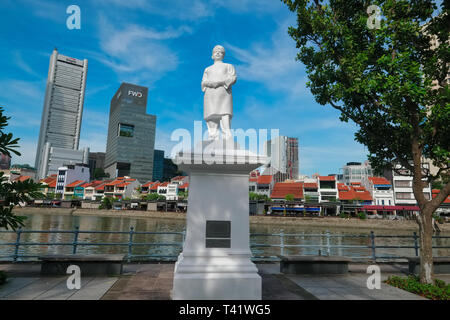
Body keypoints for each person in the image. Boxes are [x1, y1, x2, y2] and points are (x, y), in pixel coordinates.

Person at [201, 45, 237, 140]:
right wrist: (211, 84)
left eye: (220, 52)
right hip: (210, 94)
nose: (217, 53)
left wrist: (222, 83)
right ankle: (212, 136)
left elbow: (232, 77)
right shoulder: (207, 69)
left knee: (225, 113)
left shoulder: (228, 66)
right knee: (211, 115)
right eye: (215, 52)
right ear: (212, 55)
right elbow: (203, 82)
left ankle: (227, 136)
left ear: (223, 55)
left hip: (224, 93)